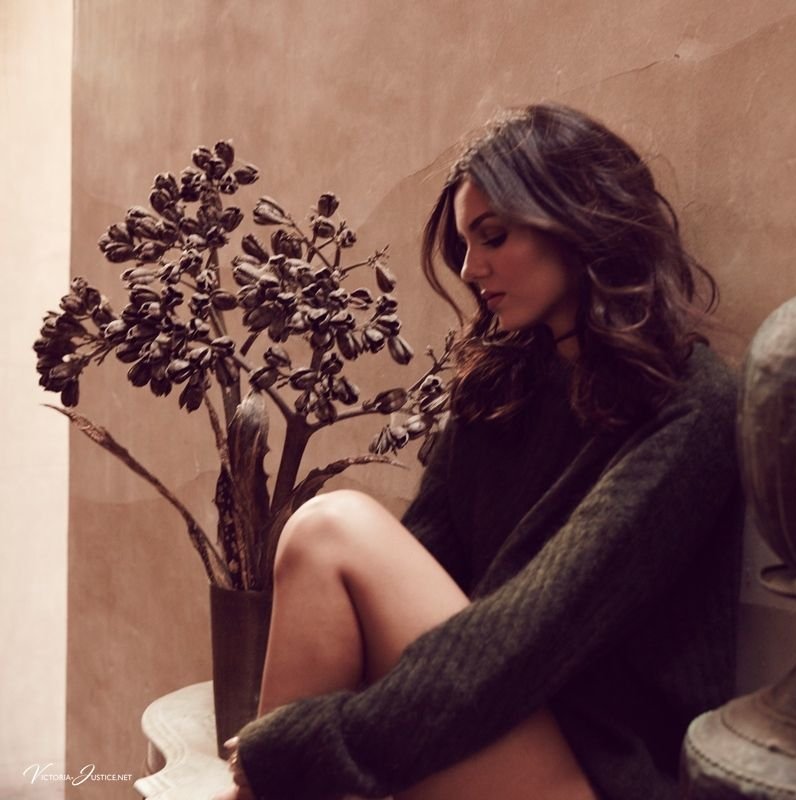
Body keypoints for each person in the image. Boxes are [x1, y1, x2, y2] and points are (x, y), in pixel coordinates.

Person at [215, 103, 742, 800]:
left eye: (493, 236)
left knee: (331, 525)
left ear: (578, 219)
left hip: (605, 773)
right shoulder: (507, 383)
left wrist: (312, 742)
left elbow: (537, 634)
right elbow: (429, 568)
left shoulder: (689, 404)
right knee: (324, 534)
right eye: (465, 244)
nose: (470, 267)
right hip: (494, 721)